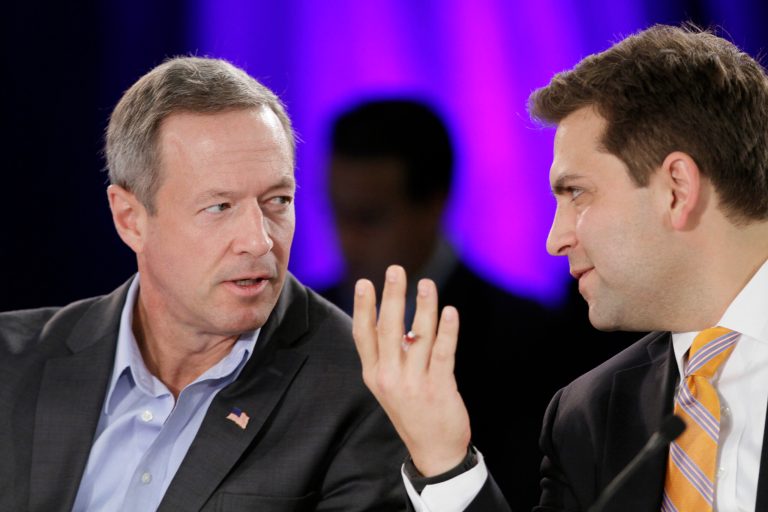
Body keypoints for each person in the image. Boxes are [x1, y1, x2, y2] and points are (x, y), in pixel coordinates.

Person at [352, 24, 768, 511]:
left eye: (576, 193)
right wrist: (443, 458)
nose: (555, 240)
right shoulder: (591, 415)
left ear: (676, 189)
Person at [0, 57, 406, 511]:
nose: (259, 240)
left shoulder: (357, 386)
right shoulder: (13, 362)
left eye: (278, 200)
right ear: (130, 219)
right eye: (219, 206)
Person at [321, 99, 569, 508]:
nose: (346, 239)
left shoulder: (529, 338)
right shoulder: (298, 318)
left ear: (433, 205)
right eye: (336, 212)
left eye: (368, 218)